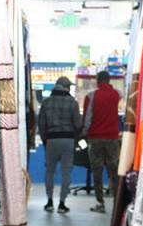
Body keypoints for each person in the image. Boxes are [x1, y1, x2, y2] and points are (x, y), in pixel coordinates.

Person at [37, 76, 82, 213]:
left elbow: (41, 124)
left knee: (50, 171)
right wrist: (75, 138)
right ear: (67, 87)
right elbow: (78, 124)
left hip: (51, 140)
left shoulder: (46, 102)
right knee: (66, 172)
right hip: (68, 140)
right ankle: (62, 203)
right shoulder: (73, 103)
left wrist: (45, 140)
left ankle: (49, 202)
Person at [82, 70, 121, 213]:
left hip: (95, 138)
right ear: (109, 80)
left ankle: (100, 203)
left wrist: (85, 131)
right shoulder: (116, 94)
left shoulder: (91, 96)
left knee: (97, 171)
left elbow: (87, 118)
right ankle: (117, 204)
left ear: (97, 81)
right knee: (114, 171)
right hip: (112, 138)